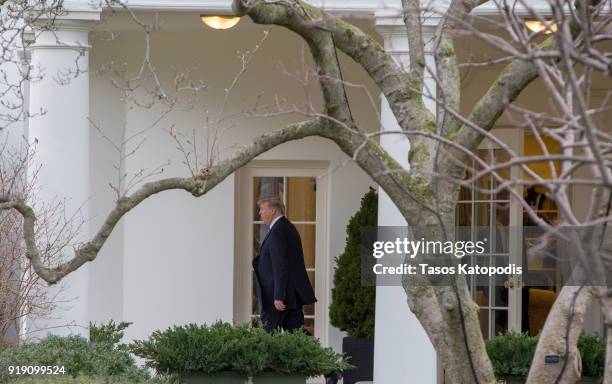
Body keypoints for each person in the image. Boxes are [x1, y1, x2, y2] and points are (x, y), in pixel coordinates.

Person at [252, 196, 317, 333]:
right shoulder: (285, 227)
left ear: (273, 210)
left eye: (262, 209)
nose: (260, 213)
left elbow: (280, 265)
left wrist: (278, 296)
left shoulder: (278, 230)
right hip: (290, 296)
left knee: (266, 337)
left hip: (280, 300)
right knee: (295, 338)